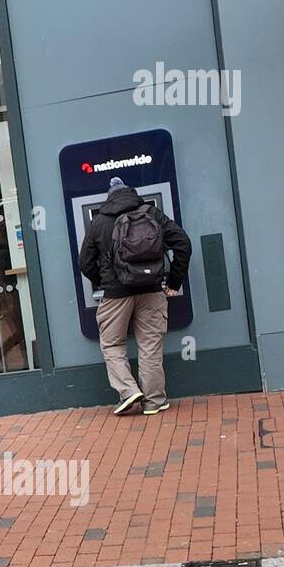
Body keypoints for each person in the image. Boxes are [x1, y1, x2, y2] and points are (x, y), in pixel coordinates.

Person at [78, 177, 192, 416]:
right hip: (151, 290)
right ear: (133, 193)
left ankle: (129, 391)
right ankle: (154, 401)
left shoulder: (98, 221)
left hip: (116, 294)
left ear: (109, 197)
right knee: (150, 346)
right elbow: (182, 243)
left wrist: (104, 282)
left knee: (112, 343)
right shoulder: (151, 212)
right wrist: (174, 281)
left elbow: (85, 262)